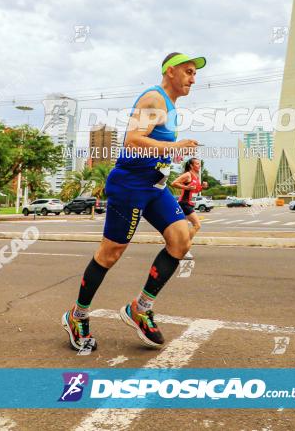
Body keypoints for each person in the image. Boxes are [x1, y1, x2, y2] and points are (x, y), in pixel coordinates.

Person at [62, 52, 206, 351]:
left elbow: (155, 150)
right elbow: (132, 140)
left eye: (195, 73)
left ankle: (140, 309)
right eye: (188, 72)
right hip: (129, 185)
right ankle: (77, 316)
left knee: (181, 239)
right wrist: (174, 145)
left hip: (154, 186)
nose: (193, 78)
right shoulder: (154, 99)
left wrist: (170, 168)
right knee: (110, 253)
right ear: (170, 72)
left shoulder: (171, 107)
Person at [171, 157, 208, 259]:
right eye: (197, 164)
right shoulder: (188, 174)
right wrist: (186, 187)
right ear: (191, 166)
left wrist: (202, 187)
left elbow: (194, 190)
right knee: (197, 225)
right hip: (184, 203)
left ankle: (178, 247)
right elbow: (174, 183)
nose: (199, 165)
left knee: (183, 228)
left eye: (199, 164)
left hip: (190, 204)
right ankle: (184, 248)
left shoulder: (196, 176)